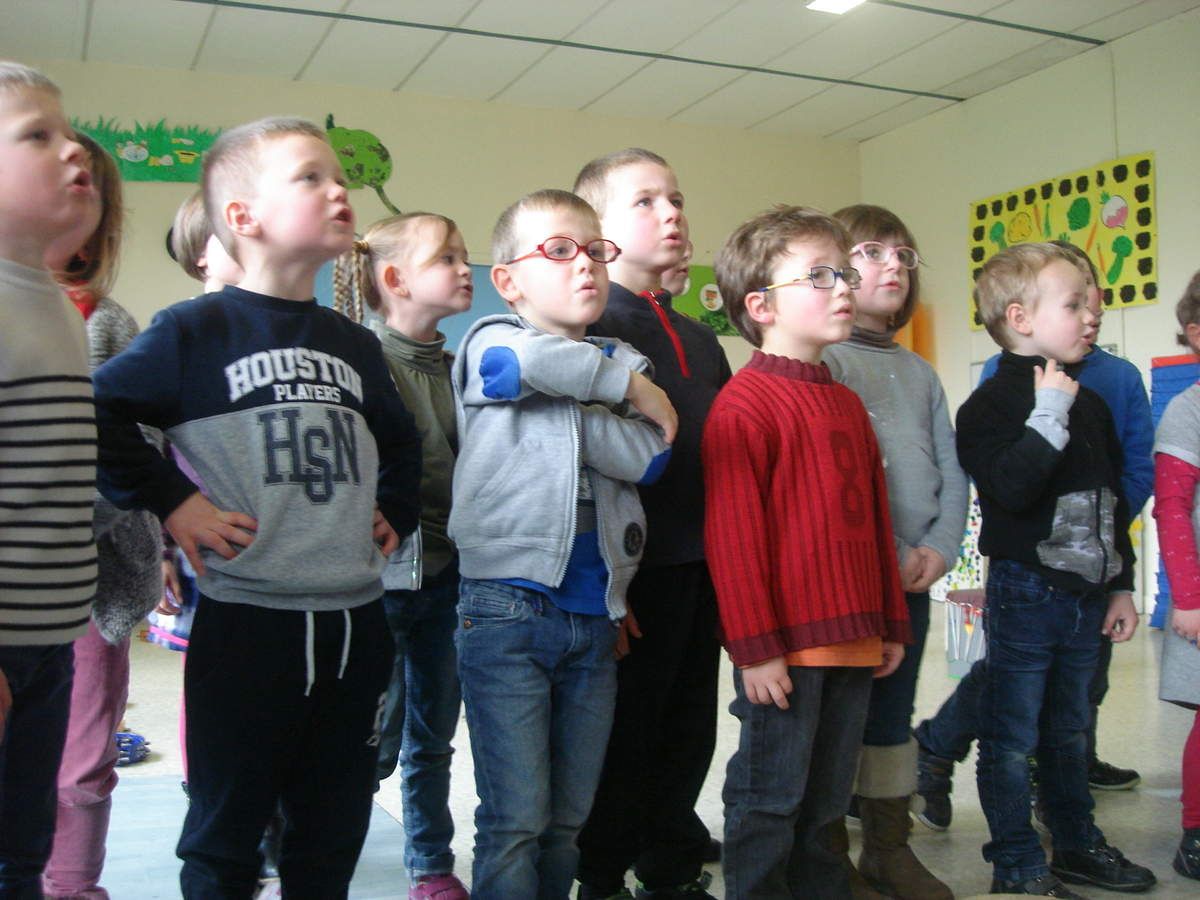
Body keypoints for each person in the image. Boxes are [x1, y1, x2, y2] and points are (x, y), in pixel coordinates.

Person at [91, 116, 422, 898]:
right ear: (241, 216)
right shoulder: (191, 331)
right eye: (310, 177)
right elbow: (96, 412)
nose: (337, 188)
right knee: (227, 835)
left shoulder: (355, 344)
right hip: (248, 625)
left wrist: (395, 508)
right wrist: (174, 501)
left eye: (338, 175)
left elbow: (404, 444)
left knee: (333, 830)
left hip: (355, 626)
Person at [450, 188, 675, 900]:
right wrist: (621, 389)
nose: (585, 265)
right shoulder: (490, 341)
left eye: (596, 252)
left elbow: (649, 458)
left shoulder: (626, 358)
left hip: (594, 618)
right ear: (508, 280)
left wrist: (596, 395)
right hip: (506, 609)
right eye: (557, 250)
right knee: (516, 819)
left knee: (566, 822)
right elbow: (514, 369)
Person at [704, 205, 911, 899]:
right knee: (771, 798)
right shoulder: (744, 406)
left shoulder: (846, 405)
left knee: (826, 808)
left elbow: (874, 526)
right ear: (761, 306)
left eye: (844, 273)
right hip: (787, 652)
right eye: (819, 276)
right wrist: (755, 649)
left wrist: (891, 622)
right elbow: (734, 541)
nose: (844, 287)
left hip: (855, 639)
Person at [914, 240, 1154, 830]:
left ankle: (1071, 828)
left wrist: (1120, 580)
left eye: (1090, 299)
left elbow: (1116, 490)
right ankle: (1013, 848)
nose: (1092, 314)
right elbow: (1010, 489)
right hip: (1028, 582)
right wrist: (1048, 412)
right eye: (1074, 303)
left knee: (1072, 715)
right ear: (1021, 319)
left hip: (1089, 580)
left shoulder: (1100, 394)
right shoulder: (993, 399)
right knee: (1012, 715)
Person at [574, 148, 729, 900]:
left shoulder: (699, 337)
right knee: (625, 735)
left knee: (689, 727)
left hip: (701, 565)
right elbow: (578, 467)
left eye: (676, 198)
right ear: (598, 230)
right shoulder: (589, 326)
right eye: (645, 202)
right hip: (632, 575)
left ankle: (671, 863)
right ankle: (603, 872)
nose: (671, 213)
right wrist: (607, 586)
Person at [822, 204, 965, 900]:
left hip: (912, 582)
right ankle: (827, 854)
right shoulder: (826, 360)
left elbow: (952, 469)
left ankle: (887, 846)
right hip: (854, 580)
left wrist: (939, 548)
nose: (894, 266)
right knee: (839, 719)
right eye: (873, 252)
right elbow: (839, 483)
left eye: (903, 255)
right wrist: (896, 550)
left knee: (891, 719)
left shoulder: (919, 372)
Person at [333, 212, 473, 900]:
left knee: (433, 735)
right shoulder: (365, 361)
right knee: (367, 738)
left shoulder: (459, 367)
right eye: (448, 258)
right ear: (395, 279)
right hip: (383, 582)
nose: (465, 268)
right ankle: (311, 848)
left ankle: (430, 861)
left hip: (449, 579)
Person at [42, 132, 165, 900]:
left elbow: (137, 455)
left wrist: (68, 529)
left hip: (92, 583)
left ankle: (75, 886)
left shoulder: (111, 327)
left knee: (83, 761)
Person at [0, 60, 101, 895]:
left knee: (25, 841)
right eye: (38, 135)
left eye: (68, 131)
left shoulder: (56, 303)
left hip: (51, 634)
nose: (73, 149)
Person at [1151, 268, 1200, 882]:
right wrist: (1187, 599)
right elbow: (1172, 508)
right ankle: (1196, 831)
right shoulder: (1188, 411)